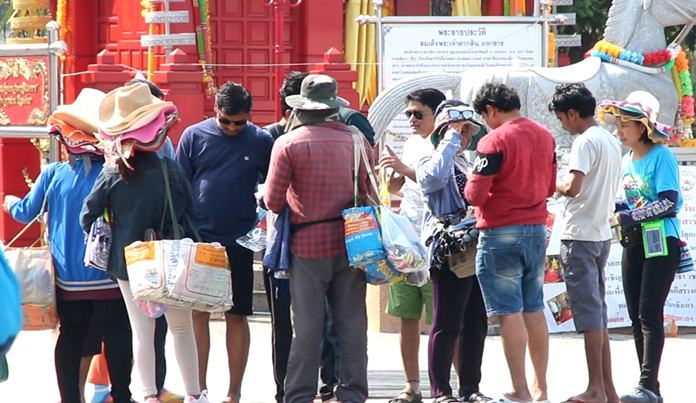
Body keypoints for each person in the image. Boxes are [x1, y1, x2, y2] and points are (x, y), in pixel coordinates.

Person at [4, 88, 134, 403]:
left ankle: (69, 399)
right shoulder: (114, 173)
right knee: (117, 334)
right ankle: (121, 394)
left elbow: (24, 214)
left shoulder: (53, 174)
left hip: (68, 278)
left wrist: (8, 203)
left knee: (71, 337)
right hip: (108, 276)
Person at [81, 82, 206, 403]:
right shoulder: (171, 169)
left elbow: (88, 215)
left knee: (142, 330)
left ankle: (149, 395)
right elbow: (192, 210)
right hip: (173, 257)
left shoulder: (112, 173)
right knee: (182, 329)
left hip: (129, 262)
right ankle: (195, 395)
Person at [264, 70, 375, 403]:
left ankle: (299, 394)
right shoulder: (357, 140)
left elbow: (272, 200)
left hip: (307, 244)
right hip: (352, 242)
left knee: (308, 326)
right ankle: (353, 392)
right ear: (331, 107)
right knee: (352, 323)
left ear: (302, 108)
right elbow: (368, 192)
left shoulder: (288, 143)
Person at [175, 82, 274, 403]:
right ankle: (198, 389)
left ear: (249, 117)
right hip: (200, 238)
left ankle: (234, 392)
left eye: (239, 122)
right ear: (215, 111)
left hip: (241, 240)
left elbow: (272, 184)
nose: (233, 128)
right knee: (200, 314)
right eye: (226, 121)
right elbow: (179, 185)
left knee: (237, 314)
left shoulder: (261, 140)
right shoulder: (193, 136)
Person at [465, 82, 556, 403]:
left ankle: (519, 389)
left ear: (491, 109)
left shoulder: (494, 140)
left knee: (509, 311)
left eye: (485, 116)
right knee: (533, 307)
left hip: (500, 232)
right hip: (535, 230)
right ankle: (540, 387)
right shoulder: (545, 136)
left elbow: (475, 194)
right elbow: (549, 188)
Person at [599, 91, 682, 403]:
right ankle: (649, 386)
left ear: (642, 126)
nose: (619, 131)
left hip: (662, 241)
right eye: (618, 124)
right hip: (633, 242)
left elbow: (669, 202)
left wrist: (631, 216)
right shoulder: (625, 160)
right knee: (635, 314)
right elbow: (624, 201)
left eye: (624, 125)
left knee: (649, 311)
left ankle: (647, 383)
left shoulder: (662, 156)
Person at [549, 83, 621, 403]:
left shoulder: (584, 141)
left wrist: (552, 180)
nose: (563, 124)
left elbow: (574, 187)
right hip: (600, 233)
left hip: (579, 234)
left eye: (562, 118)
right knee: (598, 314)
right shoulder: (610, 139)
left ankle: (595, 389)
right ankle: (606, 388)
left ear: (573, 114)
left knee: (590, 314)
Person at [416, 100, 491, 403]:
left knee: (476, 322)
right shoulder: (429, 160)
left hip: (475, 244)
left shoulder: (468, 163)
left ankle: (470, 388)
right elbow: (433, 179)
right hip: (448, 248)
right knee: (447, 323)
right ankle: (440, 391)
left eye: (466, 132)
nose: (463, 137)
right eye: (458, 131)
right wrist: (449, 136)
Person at [379, 88, 445, 403]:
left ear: (437, 113)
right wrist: (395, 184)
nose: (412, 119)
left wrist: (406, 171)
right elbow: (403, 188)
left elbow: (441, 183)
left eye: (419, 114)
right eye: (408, 114)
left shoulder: (449, 145)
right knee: (407, 317)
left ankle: (443, 388)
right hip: (407, 244)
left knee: (443, 321)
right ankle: (412, 386)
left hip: (439, 245)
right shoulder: (411, 144)